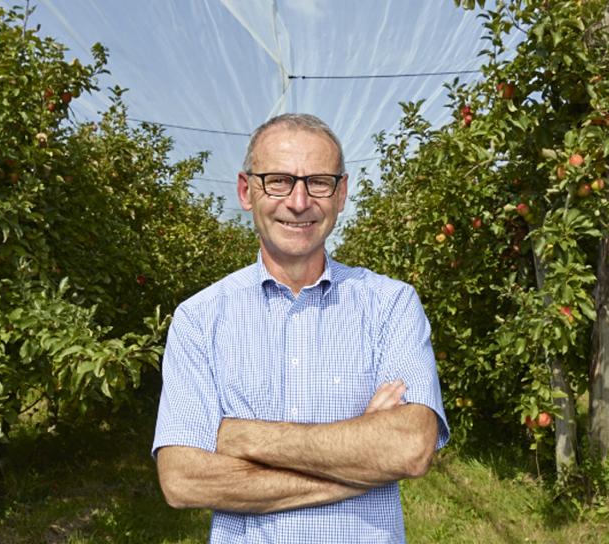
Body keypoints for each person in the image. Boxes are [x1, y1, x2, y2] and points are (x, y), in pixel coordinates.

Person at [152, 113, 448, 543]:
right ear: (246, 191)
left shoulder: (391, 304)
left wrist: (239, 436)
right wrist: (360, 462)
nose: (298, 201)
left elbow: (410, 448)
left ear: (341, 193)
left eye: (319, 182)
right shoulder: (199, 319)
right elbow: (183, 481)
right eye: (278, 180)